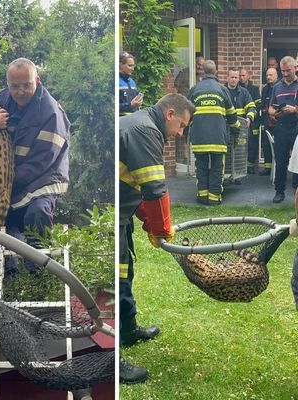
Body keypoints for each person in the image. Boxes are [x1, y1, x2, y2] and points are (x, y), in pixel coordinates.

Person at [119, 93, 195, 384]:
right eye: (182, 126)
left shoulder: (139, 124)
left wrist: (147, 221)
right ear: (170, 113)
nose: (180, 133)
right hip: (108, 215)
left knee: (124, 273)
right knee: (112, 284)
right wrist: (162, 230)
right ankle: (115, 360)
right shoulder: (145, 131)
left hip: (120, 213)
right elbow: (155, 189)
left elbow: (134, 185)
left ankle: (127, 331)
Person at [0, 57, 70, 282]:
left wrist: (2, 184)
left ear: (37, 81)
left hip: (44, 178)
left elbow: (42, 160)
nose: (20, 91)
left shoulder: (50, 111)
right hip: (11, 180)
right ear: (7, 85)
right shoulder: (0, 101)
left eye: (26, 85)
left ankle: (38, 275)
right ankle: (6, 279)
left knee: (36, 212)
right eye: (15, 86)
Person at [188, 60, 241, 205]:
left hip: (199, 139)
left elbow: (186, 113)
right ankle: (214, 198)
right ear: (215, 72)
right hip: (218, 139)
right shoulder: (222, 90)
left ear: (203, 72)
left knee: (202, 167)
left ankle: (202, 196)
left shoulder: (194, 90)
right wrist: (236, 127)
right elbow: (231, 113)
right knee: (217, 169)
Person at [268, 56, 298, 203]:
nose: (285, 74)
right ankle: (279, 192)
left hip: (296, 127)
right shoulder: (277, 87)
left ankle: (297, 191)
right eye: (283, 71)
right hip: (281, 127)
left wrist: (294, 109)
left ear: (296, 68)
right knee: (281, 161)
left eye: (288, 70)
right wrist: (274, 112)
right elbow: (270, 108)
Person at [239, 67, 261, 174]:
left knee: (252, 143)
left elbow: (257, 105)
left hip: (253, 121)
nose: (241, 78)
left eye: (243, 75)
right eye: (240, 76)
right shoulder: (237, 89)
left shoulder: (254, 89)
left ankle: (250, 165)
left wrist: (251, 115)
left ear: (248, 76)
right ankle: (240, 165)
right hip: (241, 120)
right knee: (240, 144)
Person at [259, 67, 280, 175]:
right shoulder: (265, 89)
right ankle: (268, 168)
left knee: (279, 145)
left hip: (279, 121)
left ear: (276, 75)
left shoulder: (280, 87)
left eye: (271, 75)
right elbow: (263, 105)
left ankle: (280, 168)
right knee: (266, 144)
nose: (268, 77)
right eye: (267, 75)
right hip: (267, 121)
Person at [119, 51, 143, 116]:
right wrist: (130, 105)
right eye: (130, 66)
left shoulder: (132, 82)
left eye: (133, 66)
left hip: (133, 120)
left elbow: (134, 104)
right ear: (121, 65)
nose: (133, 69)